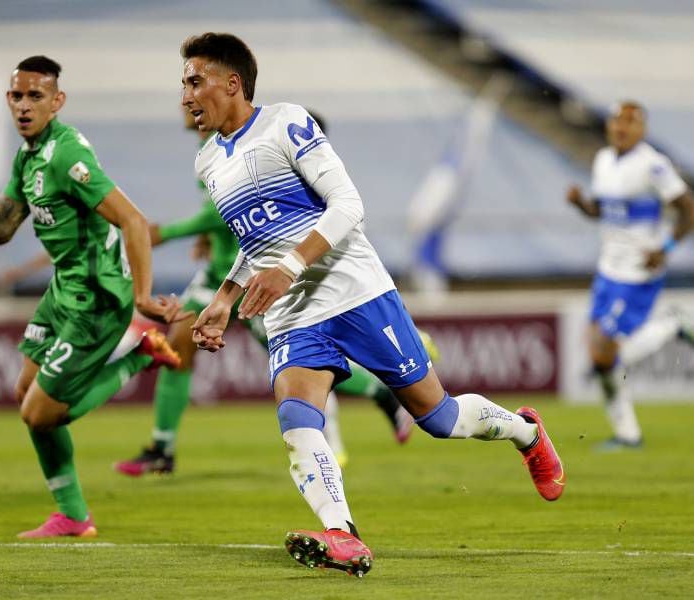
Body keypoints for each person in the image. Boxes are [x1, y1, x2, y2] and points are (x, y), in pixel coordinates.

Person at [182, 32, 565, 577]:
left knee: (439, 416)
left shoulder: (284, 123)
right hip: (293, 312)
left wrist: (288, 268)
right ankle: (343, 535)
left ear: (232, 82)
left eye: (195, 81)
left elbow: (347, 206)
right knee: (296, 414)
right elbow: (256, 244)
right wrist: (226, 296)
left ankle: (526, 432)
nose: (186, 95)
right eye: (184, 84)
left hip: (355, 290)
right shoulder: (207, 163)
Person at [0, 55, 189, 538]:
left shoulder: (65, 154)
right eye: (17, 95)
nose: (24, 105)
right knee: (23, 395)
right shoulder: (28, 157)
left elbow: (133, 220)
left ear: (58, 101)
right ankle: (74, 517)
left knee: (40, 412)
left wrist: (142, 297)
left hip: (96, 299)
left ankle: (139, 355)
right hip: (63, 291)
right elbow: (0, 228)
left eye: (36, 96)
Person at [114, 111, 438, 476]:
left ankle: (382, 392)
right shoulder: (207, 152)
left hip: (259, 275)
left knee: (304, 363)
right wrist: (207, 235)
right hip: (218, 276)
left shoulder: (244, 144)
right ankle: (162, 446)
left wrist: (171, 232)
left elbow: (249, 213)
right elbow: (226, 214)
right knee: (178, 344)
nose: (187, 104)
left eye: (195, 89)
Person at [566, 101, 694, 450]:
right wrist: (581, 204)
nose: (622, 127)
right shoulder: (603, 160)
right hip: (607, 269)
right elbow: (603, 211)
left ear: (642, 129)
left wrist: (665, 248)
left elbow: (688, 208)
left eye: (630, 122)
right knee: (598, 356)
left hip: (639, 271)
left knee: (606, 346)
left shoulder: (653, 164)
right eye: (617, 121)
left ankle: (673, 324)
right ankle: (627, 434)